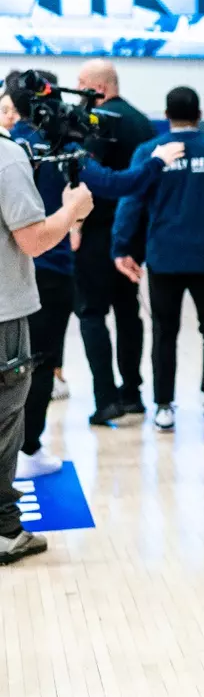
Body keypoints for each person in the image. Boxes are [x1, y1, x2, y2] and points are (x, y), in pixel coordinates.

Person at [6, 72, 183, 479]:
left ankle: (21, 450)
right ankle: (28, 449)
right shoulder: (63, 150)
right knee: (38, 366)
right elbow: (118, 184)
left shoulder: (16, 149)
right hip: (49, 269)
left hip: (19, 272)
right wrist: (157, 161)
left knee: (19, 368)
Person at [109, 88, 204, 435]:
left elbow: (131, 201)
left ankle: (163, 407)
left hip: (165, 256)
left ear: (166, 114)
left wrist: (121, 246)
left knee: (164, 331)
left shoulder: (150, 152)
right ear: (199, 114)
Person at [0, 133, 89, 562]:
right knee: (3, 421)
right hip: (2, 314)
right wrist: (73, 209)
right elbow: (33, 240)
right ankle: (4, 531)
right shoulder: (6, 155)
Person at [74, 60, 154, 427]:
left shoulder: (97, 122)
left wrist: (74, 225)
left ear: (98, 88)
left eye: (81, 84)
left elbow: (87, 179)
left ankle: (106, 398)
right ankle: (133, 393)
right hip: (134, 233)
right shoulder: (142, 122)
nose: (76, 91)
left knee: (91, 314)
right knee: (127, 313)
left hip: (95, 232)